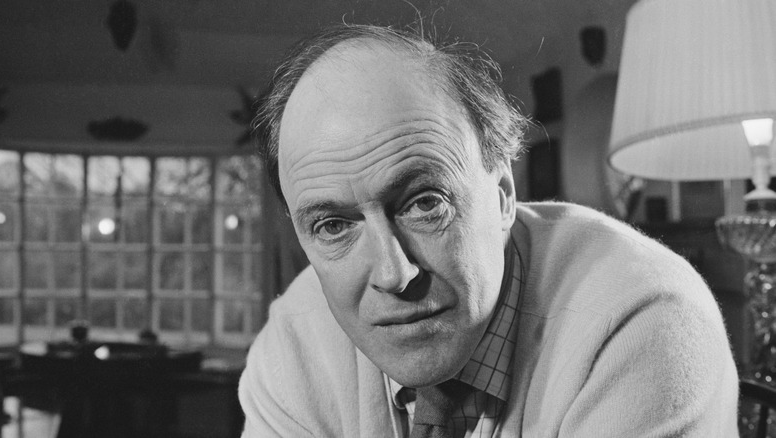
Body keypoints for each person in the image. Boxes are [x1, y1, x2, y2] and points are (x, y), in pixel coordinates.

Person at [238, 24, 739, 437]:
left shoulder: (642, 322)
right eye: (332, 225)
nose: (393, 275)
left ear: (502, 195)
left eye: (424, 203)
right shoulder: (295, 342)